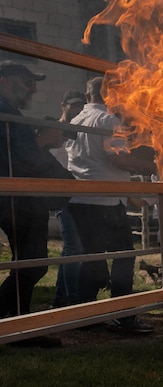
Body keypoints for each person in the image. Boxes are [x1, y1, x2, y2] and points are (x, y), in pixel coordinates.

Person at [65, 76, 157, 335]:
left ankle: (85, 314)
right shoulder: (108, 120)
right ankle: (123, 316)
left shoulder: (75, 120)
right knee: (124, 256)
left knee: (92, 258)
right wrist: (154, 166)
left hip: (80, 199)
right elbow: (120, 161)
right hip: (104, 200)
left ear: (88, 96)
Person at [0, 61, 75, 346]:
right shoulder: (4, 111)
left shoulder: (10, 112)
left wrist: (40, 140)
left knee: (27, 265)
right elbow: (16, 160)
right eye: (27, 82)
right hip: (18, 198)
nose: (33, 88)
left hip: (22, 198)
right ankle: (18, 327)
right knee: (33, 266)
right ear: (5, 80)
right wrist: (42, 141)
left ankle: (22, 329)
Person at [50, 91, 87, 308]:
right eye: (73, 106)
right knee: (74, 248)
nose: (77, 110)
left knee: (70, 249)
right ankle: (73, 300)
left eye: (80, 106)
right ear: (62, 105)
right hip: (63, 196)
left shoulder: (78, 133)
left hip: (76, 194)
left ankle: (60, 299)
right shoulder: (54, 131)